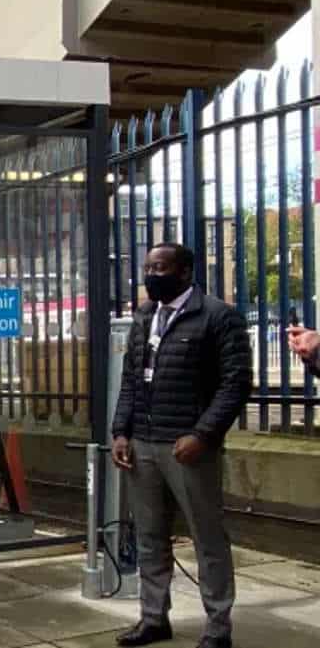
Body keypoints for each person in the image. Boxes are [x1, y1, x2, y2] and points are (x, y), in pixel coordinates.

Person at [111, 243, 251, 648]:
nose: (152, 274)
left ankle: (218, 627)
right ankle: (153, 618)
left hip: (188, 449)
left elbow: (236, 383)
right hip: (143, 446)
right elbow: (131, 381)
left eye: (160, 267)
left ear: (185, 272)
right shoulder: (143, 317)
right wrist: (121, 432)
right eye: (147, 267)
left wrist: (203, 434)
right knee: (151, 536)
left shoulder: (218, 317)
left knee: (207, 538)